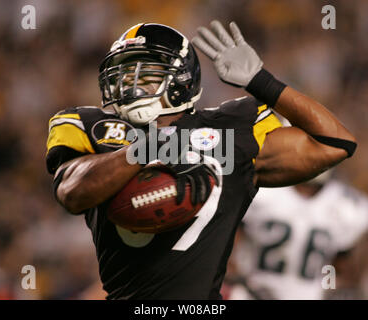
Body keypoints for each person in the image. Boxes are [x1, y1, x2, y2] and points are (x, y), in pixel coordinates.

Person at [45, 21, 356, 299]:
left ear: (181, 81)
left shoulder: (232, 127)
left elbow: (334, 143)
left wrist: (261, 81)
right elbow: (71, 193)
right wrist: (144, 149)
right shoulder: (94, 126)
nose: (129, 83)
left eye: (146, 72)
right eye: (124, 72)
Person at [222, 171, 368, 300]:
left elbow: (340, 267)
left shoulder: (347, 206)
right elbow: (228, 249)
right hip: (250, 292)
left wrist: (329, 289)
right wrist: (239, 277)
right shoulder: (264, 192)